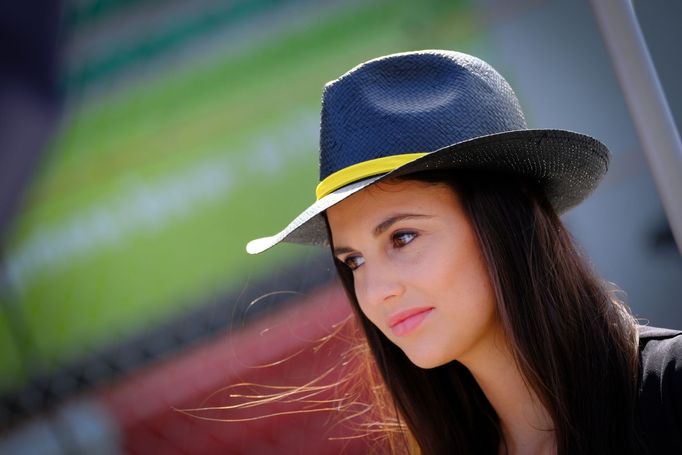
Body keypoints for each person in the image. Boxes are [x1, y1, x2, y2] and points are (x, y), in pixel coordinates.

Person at [245, 50, 682, 454]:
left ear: (504, 223)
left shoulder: (671, 392)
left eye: (402, 238)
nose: (375, 293)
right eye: (353, 261)